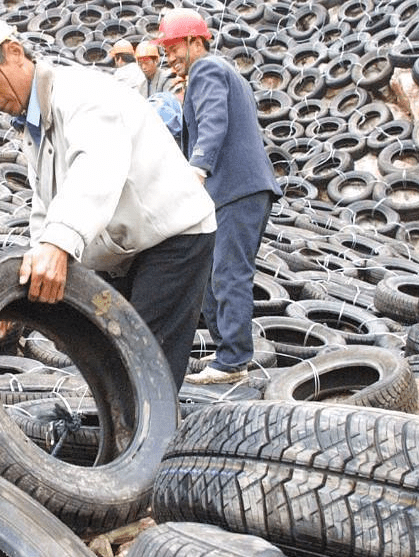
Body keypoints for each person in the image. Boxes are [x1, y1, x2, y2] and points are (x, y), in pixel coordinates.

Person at [0, 13, 216, 391]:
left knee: (148, 369)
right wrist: (25, 285)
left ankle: (157, 442)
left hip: (173, 237)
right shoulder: (32, 126)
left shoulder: (81, 93)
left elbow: (97, 165)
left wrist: (58, 243)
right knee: (112, 357)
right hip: (125, 246)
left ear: (15, 52)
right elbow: (46, 206)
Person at [153, 8, 283, 384]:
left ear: (196, 41)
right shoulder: (222, 73)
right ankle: (228, 352)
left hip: (235, 189)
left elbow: (213, 123)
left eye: (175, 48)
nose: (171, 57)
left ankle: (233, 361)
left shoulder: (207, 71)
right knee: (212, 276)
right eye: (167, 50)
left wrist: (198, 168)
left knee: (228, 275)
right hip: (232, 191)